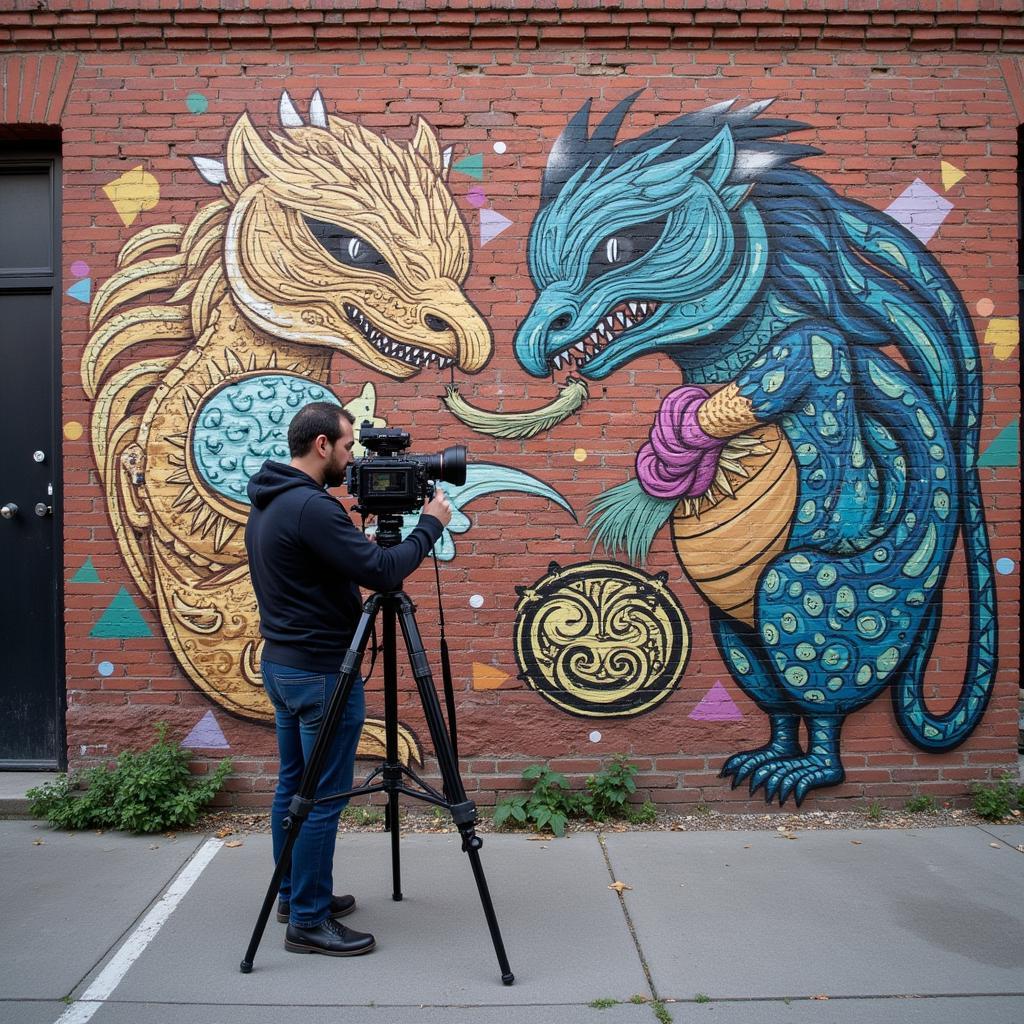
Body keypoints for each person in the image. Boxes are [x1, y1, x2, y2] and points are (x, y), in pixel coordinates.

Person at [245, 401, 453, 957]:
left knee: (295, 784)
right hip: (319, 675)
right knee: (323, 795)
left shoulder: (269, 500)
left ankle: (294, 892)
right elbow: (384, 570)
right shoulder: (312, 508)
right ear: (321, 446)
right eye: (346, 446)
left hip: (283, 666)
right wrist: (431, 523)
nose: (351, 458)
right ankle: (308, 922)